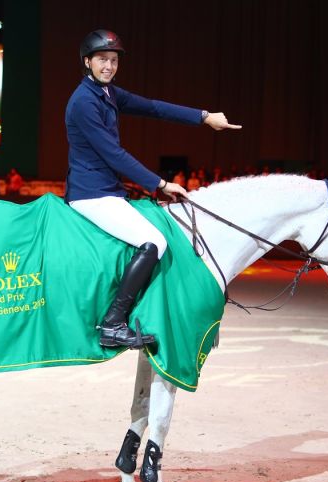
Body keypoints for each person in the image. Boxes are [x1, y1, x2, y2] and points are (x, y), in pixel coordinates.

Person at [65, 29, 241, 348]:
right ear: (87, 61)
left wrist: (203, 117)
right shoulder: (83, 102)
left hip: (109, 190)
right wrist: (160, 183)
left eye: (114, 60)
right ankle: (113, 324)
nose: (109, 66)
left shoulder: (108, 94)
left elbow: (154, 107)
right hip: (91, 195)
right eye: (102, 60)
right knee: (153, 241)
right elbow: (113, 154)